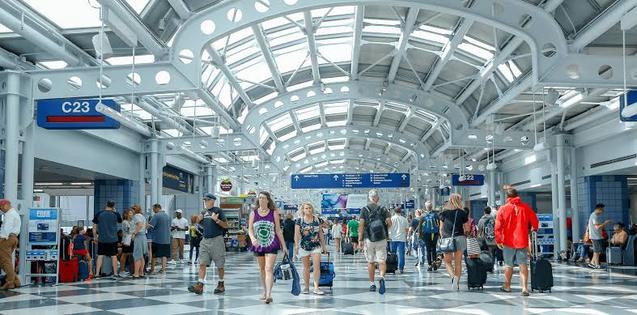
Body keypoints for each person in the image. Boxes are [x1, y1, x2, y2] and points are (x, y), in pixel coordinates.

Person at [495, 188, 539, 296]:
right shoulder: (525, 207)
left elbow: (498, 226)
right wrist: (535, 228)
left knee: (508, 264)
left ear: (507, 197)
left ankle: (507, 286)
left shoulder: (503, 209)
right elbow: (535, 220)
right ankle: (524, 288)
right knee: (523, 263)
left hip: (508, 241)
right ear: (517, 195)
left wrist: (499, 239)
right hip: (522, 240)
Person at [248, 191, 287, 304]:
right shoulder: (253, 213)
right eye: (260, 198)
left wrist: (283, 245)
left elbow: (278, 230)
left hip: (272, 243)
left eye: (264, 198)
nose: (261, 200)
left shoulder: (274, 213)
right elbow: (250, 229)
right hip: (258, 244)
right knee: (262, 269)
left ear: (268, 200)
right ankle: (264, 291)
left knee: (268, 268)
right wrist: (253, 239)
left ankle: (269, 294)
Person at [188, 193, 228, 295]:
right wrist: (194, 219)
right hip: (205, 240)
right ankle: (200, 285)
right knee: (202, 263)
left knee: (220, 264)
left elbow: (226, 225)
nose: (205, 202)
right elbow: (196, 221)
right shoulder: (203, 211)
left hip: (217, 240)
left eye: (207, 200)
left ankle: (221, 284)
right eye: (204, 200)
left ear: (212, 201)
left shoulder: (218, 210)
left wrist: (217, 220)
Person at [358, 189, 392, 294]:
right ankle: (381, 276)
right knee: (382, 260)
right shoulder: (383, 209)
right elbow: (390, 223)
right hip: (381, 238)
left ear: (369, 197)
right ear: (377, 198)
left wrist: (360, 239)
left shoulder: (364, 209)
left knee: (371, 261)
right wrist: (387, 231)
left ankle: (372, 284)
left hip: (369, 238)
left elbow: (361, 225)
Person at [295, 202, 327, 295]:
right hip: (304, 246)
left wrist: (324, 246)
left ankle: (316, 287)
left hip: (316, 246)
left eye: (309, 208)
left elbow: (321, 233)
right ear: (303, 210)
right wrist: (296, 246)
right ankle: (306, 287)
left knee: (317, 266)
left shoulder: (317, 220)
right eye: (306, 208)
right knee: (306, 268)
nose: (308, 210)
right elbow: (296, 234)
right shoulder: (299, 221)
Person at [439, 194, 468, 291]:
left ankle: (453, 277)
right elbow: (467, 228)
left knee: (447, 262)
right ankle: (457, 282)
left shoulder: (443, 213)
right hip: (459, 238)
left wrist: (442, 237)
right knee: (458, 263)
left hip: (447, 239)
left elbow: (441, 229)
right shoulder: (462, 213)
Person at [93, 201, 123, 278]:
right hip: (113, 239)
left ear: (106, 204)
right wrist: (115, 211)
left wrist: (95, 237)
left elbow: (94, 227)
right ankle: (115, 273)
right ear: (113, 206)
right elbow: (120, 221)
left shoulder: (99, 214)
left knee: (100, 255)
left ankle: (96, 274)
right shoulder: (116, 214)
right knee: (114, 256)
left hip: (102, 239)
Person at [0, 199, 21, 289]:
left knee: (5, 261)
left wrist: (1, 238)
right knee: (4, 260)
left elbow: (6, 228)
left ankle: (10, 282)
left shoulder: (9, 214)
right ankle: (16, 281)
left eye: (0, 207)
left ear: (5, 205)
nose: (1, 210)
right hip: (13, 238)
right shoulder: (14, 213)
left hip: (7, 238)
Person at [148, 204, 171, 273]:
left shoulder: (156, 215)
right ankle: (163, 269)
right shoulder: (168, 216)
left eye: (153, 209)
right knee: (164, 255)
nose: (153, 210)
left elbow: (150, 226)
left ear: (157, 208)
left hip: (157, 239)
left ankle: (152, 269)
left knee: (154, 255)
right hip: (167, 239)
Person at [587, 203, 611, 269]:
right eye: (602, 210)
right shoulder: (594, 216)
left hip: (596, 236)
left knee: (597, 251)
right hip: (595, 236)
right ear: (598, 209)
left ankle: (592, 263)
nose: (602, 212)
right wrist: (605, 223)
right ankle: (596, 264)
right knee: (597, 251)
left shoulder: (593, 215)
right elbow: (597, 227)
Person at [420, 202, 440, 271]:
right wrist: (439, 233)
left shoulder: (423, 215)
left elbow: (420, 225)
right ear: (431, 207)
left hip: (426, 234)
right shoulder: (435, 214)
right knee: (434, 248)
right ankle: (434, 263)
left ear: (426, 207)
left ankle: (429, 265)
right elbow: (439, 224)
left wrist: (420, 234)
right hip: (434, 233)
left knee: (428, 249)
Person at [389, 207, 409, 273]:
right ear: (401, 211)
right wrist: (406, 236)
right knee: (401, 254)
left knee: (393, 254)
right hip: (402, 239)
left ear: (394, 211)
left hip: (393, 238)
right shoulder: (404, 219)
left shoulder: (391, 219)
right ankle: (401, 268)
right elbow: (407, 229)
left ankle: (393, 267)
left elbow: (388, 227)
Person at [131, 204, 148, 278]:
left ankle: (136, 273)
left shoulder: (136, 216)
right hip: (143, 236)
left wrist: (134, 233)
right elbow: (145, 225)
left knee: (137, 256)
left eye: (132, 209)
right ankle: (141, 273)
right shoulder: (142, 216)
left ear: (134, 210)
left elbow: (140, 225)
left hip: (139, 237)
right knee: (141, 257)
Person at [119, 208, 133, 276]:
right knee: (124, 254)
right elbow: (128, 231)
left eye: (132, 213)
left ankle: (126, 269)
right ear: (126, 214)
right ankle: (122, 270)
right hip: (126, 240)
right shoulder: (125, 222)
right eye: (130, 213)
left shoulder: (130, 221)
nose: (131, 214)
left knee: (128, 254)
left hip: (130, 240)